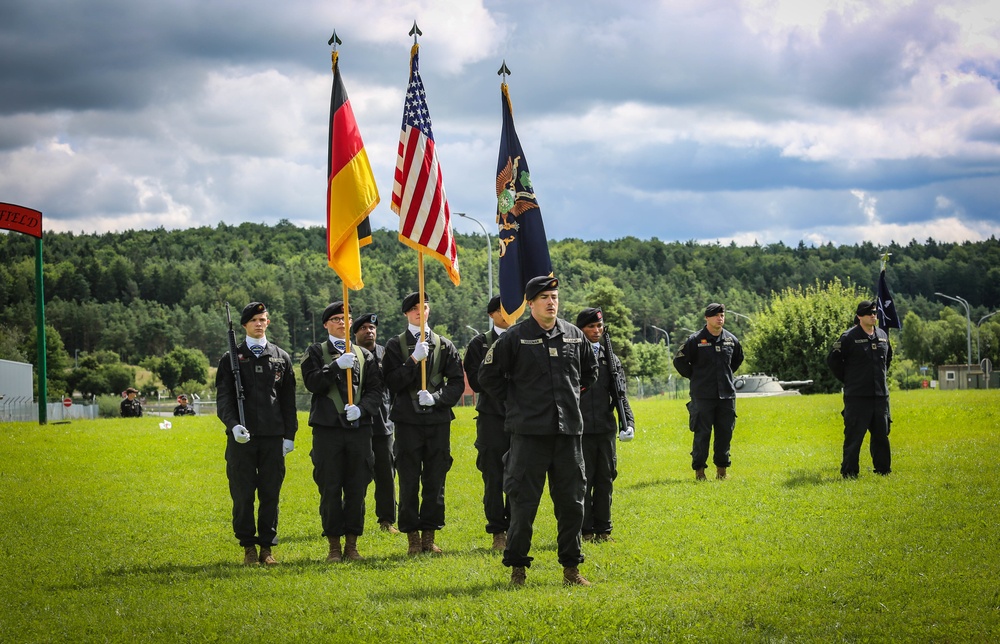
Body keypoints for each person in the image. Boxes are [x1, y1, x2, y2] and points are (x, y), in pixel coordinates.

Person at [478, 276, 600, 587]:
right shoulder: (515, 338)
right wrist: (516, 402)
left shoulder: (574, 336)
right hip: (529, 436)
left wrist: (571, 400)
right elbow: (488, 378)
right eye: (544, 297)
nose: (551, 302)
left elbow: (590, 373)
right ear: (530, 304)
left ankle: (571, 570)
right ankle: (517, 569)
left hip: (569, 435)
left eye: (554, 296)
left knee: (573, 503)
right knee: (522, 503)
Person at [382, 292, 465, 556]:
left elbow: (457, 383)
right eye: (414, 308)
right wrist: (413, 360)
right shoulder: (395, 345)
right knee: (408, 478)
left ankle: (429, 536)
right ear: (406, 313)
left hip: (437, 420)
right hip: (407, 420)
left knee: (435, 478)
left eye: (424, 307)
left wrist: (437, 398)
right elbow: (392, 382)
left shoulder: (444, 344)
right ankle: (413, 539)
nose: (420, 312)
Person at [216, 301, 298, 566]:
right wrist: (232, 425)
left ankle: (266, 547)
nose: (259, 324)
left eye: (263, 319)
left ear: (268, 323)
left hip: (273, 437)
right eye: (254, 320)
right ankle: (248, 547)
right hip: (243, 438)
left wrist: (289, 435)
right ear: (245, 325)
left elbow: (288, 401)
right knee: (242, 494)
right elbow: (224, 400)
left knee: (270, 493)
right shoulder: (230, 359)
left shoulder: (281, 357)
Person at [301, 301, 384, 562]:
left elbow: (376, 391)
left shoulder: (365, 355)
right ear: (326, 324)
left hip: (358, 430)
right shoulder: (315, 352)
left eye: (344, 318)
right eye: (335, 318)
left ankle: (352, 545)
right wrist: (336, 366)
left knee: (357, 486)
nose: (340, 322)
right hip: (327, 430)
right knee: (330, 487)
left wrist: (362, 410)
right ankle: (334, 548)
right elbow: (313, 383)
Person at [575, 307, 635, 543]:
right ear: (581, 330)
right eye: (591, 326)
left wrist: (628, 422)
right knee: (583, 481)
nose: (596, 330)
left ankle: (604, 530)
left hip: (605, 429)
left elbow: (620, 395)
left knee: (606, 479)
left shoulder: (610, 359)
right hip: (580, 430)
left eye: (599, 326)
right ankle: (586, 530)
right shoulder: (573, 355)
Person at [463, 295, 513, 551]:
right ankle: (498, 532)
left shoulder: (525, 338)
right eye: (504, 310)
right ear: (492, 314)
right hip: (492, 418)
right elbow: (477, 381)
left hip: (520, 418)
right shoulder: (479, 344)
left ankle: (516, 528)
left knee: (519, 477)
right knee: (493, 476)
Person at [673, 302, 745, 481]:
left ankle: (722, 471)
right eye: (716, 315)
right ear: (707, 318)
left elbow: (736, 360)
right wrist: (695, 377)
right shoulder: (695, 340)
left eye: (722, 315)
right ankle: (700, 472)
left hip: (726, 395)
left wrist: (725, 376)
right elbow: (679, 361)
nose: (720, 318)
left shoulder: (731, 340)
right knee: (702, 434)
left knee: (725, 434)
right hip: (702, 396)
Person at [826, 300, 893, 478]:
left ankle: (883, 470)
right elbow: (833, 361)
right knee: (854, 437)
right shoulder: (848, 337)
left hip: (880, 396)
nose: (873, 316)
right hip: (857, 397)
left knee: (881, 436)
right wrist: (849, 380)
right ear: (859, 316)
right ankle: (849, 472)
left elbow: (887, 360)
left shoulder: (882, 335)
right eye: (868, 313)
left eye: (875, 313)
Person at [352, 312, 400, 534]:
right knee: (356, 475)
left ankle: (387, 520)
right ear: (355, 333)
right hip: (356, 423)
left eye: (372, 328)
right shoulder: (349, 354)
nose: (369, 331)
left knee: (386, 474)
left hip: (382, 422)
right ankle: (352, 518)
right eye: (363, 328)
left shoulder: (386, 354)